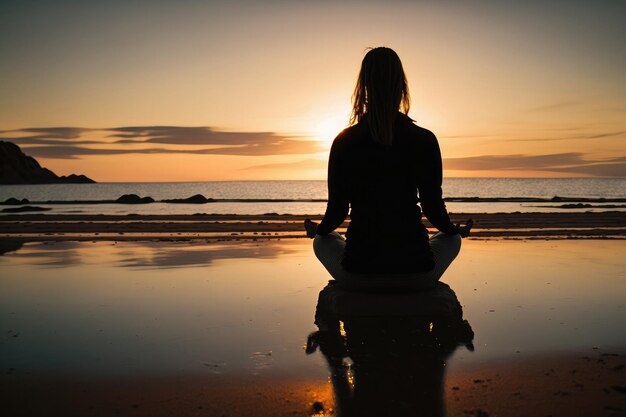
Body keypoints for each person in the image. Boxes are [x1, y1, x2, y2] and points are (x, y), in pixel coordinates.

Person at [305, 47, 473, 291]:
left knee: (323, 240)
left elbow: (337, 211)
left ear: (363, 87)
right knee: (452, 238)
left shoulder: (345, 140)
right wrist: (456, 230)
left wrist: (317, 230)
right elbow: (433, 208)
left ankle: (330, 323)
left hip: (359, 273)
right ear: (402, 86)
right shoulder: (423, 139)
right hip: (416, 272)